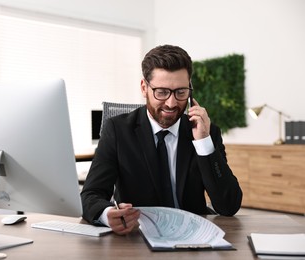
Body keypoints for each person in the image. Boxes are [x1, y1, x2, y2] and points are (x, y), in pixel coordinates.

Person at [80, 44, 243, 235]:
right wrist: (107, 214)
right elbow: (91, 195)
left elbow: (228, 206)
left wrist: (203, 143)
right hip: (138, 236)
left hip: (192, 236)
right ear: (144, 88)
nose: (172, 103)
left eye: (181, 92)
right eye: (162, 92)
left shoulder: (205, 131)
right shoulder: (117, 130)